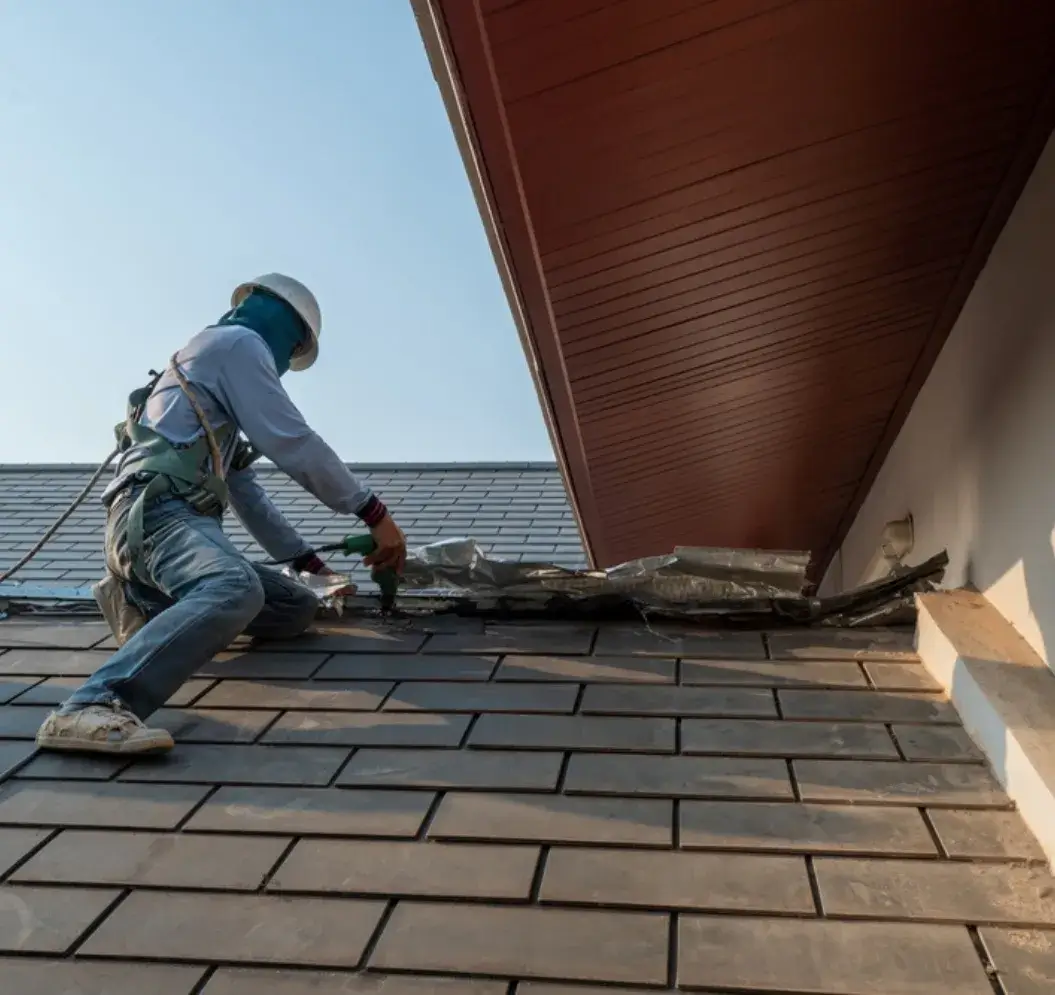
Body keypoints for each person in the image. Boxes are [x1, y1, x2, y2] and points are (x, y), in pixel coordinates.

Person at [36, 273, 406, 755]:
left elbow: (249, 498)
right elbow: (292, 441)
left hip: (168, 524)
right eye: (293, 350)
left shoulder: (212, 389)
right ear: (287, 332)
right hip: (156, 516)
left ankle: (152, 608)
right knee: (234, 586)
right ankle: (91, 704)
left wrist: (312, 569)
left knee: (295, 606)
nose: (287, 363)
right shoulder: (236, 345)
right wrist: (373, 513)